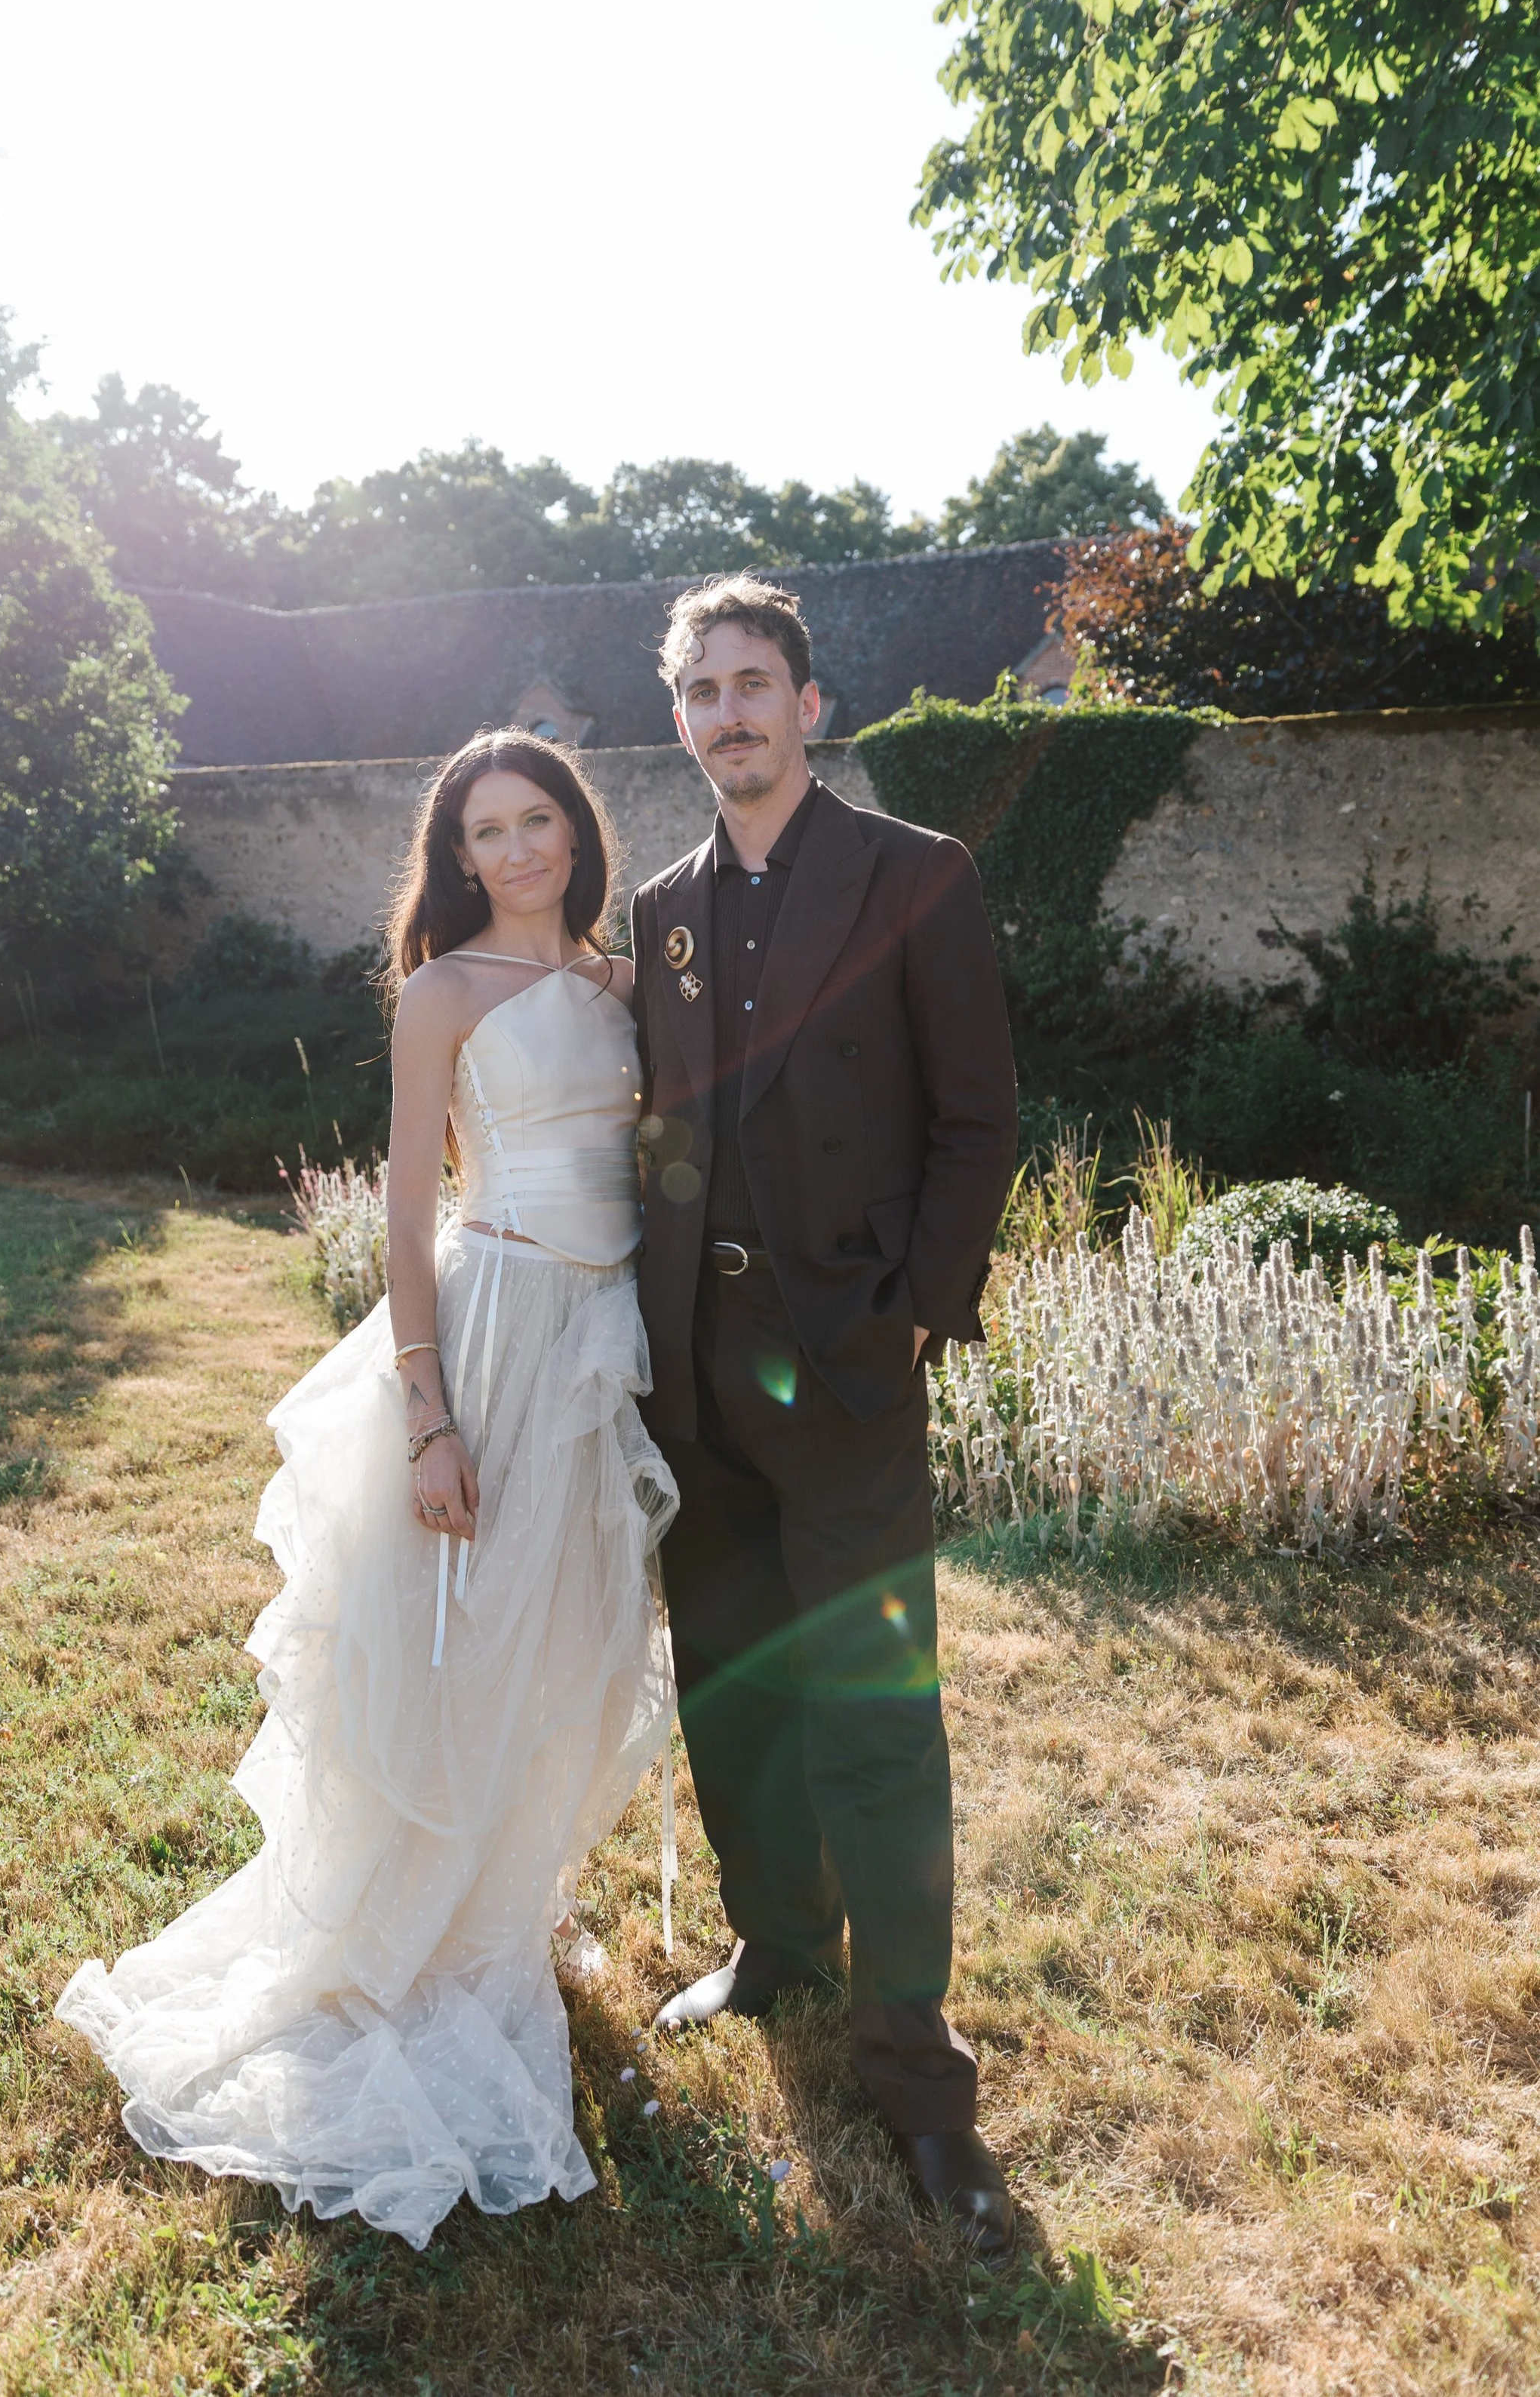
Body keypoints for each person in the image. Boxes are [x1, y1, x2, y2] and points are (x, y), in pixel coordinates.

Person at [57, 732, 676, 2251]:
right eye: (487, 830)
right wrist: (428, 1418)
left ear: (573, 833)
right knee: (460, 1655)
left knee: (573, 1642)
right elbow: (410, 1209)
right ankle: (428, 1931)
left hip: (605, 1343)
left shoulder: (617, 984)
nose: (518, 847)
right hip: (496, 1333)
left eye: (539, 820)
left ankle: (509, 1895)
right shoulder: (444, 994)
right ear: (456, 855)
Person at [630, 574, 1021, 2260]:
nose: (728, 712)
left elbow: (975, 1118)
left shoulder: (913, 874)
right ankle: (774, 1940)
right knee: (733, 1679)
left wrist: (908, 1320)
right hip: (693, 1363)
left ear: (806, 700)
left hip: (844, 1364)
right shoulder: (655, 907)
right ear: (681, 721)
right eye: (701, 691)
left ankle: (917, 2078)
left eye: (752, 682)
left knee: (873, 1713)